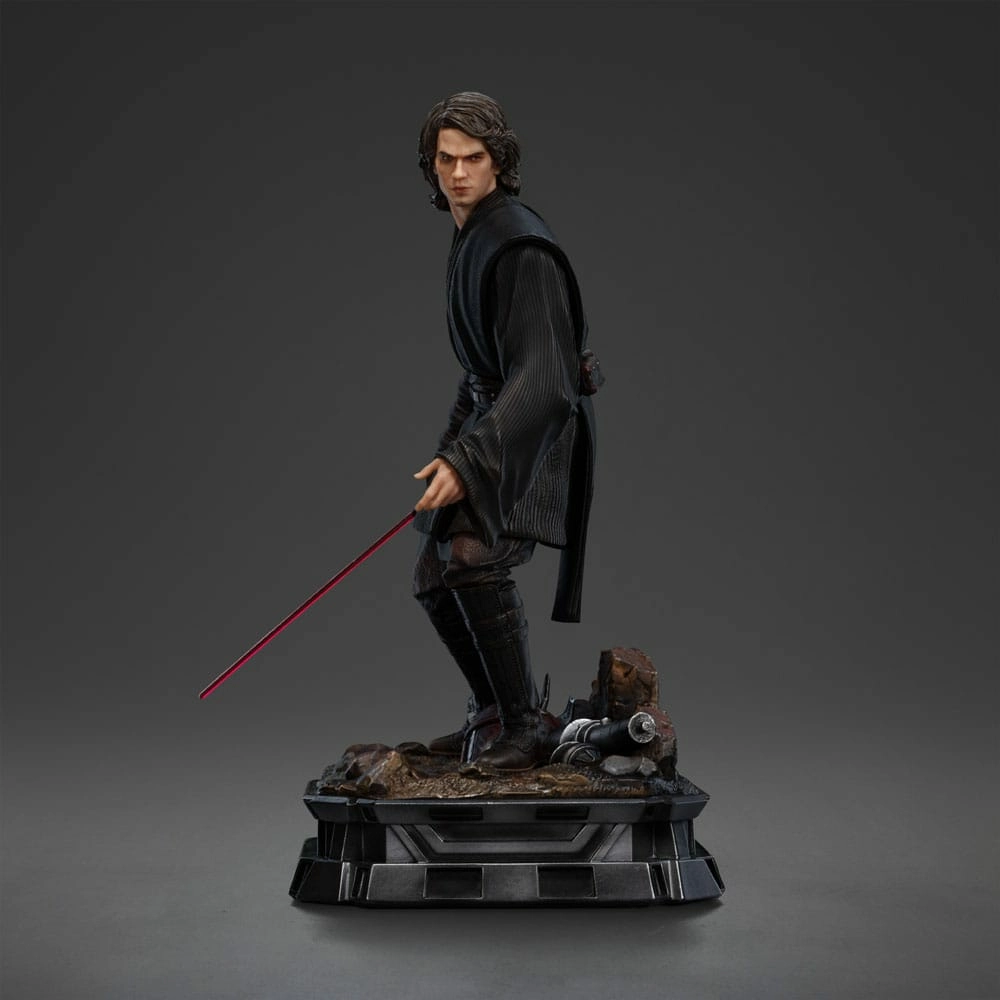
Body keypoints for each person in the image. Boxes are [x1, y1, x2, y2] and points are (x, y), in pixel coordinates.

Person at [411, 92, 597, 770]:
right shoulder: (472, 234)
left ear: (499, 161)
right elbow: (480, 375)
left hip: (537, 432)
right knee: (432, 570)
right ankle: (492, 714)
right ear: (430, 165)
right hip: (495, 423)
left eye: (474, 158)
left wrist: (471, 460)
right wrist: (450, 454)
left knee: (472, 556)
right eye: (445, 159)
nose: (459, 173)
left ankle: (525, 729)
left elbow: (543, 381)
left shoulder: (520, 246)